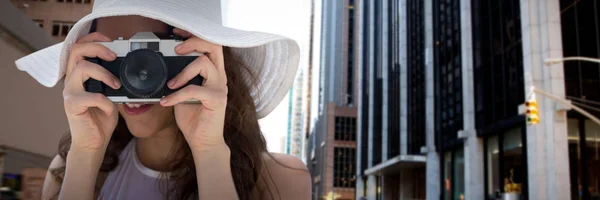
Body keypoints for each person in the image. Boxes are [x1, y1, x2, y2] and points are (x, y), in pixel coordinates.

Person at [14, 0, 310, 199]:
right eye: (114, 53)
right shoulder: (67, 167)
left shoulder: (282, 180)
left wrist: (209, 152)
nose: (135, 76)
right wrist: (85, 155)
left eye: (150, 55)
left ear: (206, 59)